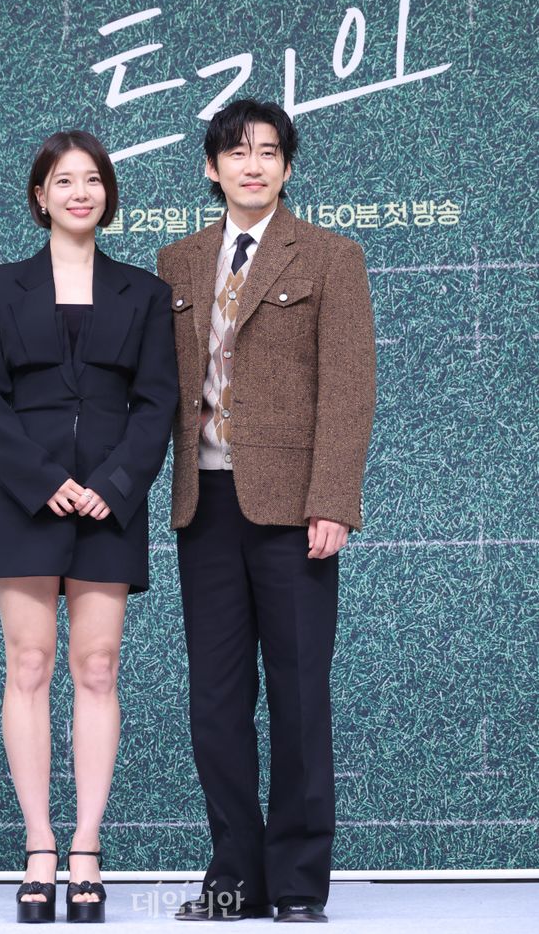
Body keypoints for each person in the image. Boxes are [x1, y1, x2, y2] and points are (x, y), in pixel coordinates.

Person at [157, 99, 376, 924]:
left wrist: (332, 501)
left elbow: (349, 389)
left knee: (298, 692)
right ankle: (234, 878)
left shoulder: (330, 255)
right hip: (204, 503)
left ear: (287, 167)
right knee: (215, 704)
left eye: (269, 152)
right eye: (237, 152)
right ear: (211, 168)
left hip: (294, 508)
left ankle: (297, 884)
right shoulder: (177, 261)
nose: (253, 165)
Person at [0, 130, 178, 924]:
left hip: (110, 502)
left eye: (92, 180)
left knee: (97, 667)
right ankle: (39, 848)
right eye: (63, 181)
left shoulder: (145, 293)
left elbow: (158, 402)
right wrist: (45, 481)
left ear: (108, 195)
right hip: (24, 497)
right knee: (28, 664)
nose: (79, 192)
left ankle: (86, 847)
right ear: (40, 196)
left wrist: (112, 485)